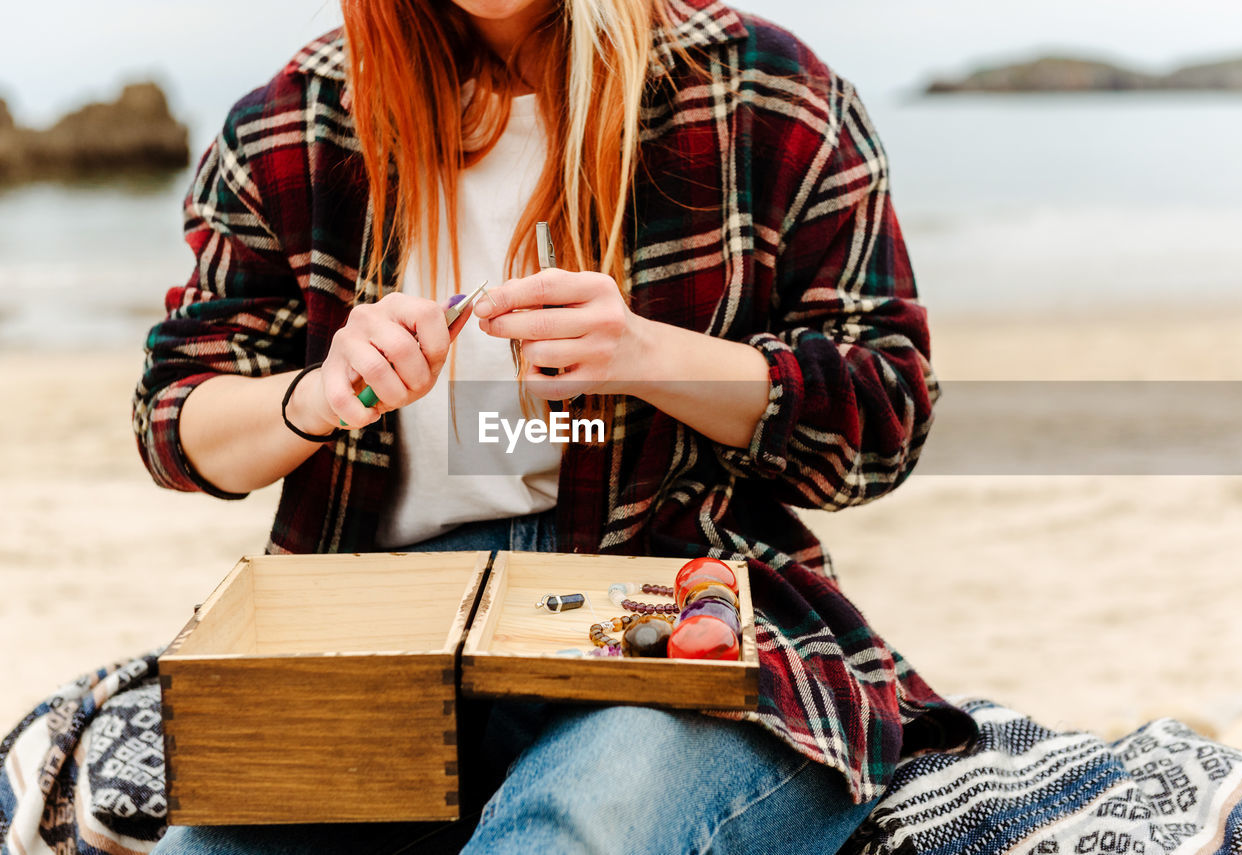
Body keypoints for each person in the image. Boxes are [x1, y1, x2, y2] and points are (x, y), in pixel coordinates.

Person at [133, 0, 974, 852]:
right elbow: (173, 419)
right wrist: (314, 397)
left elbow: (885, 415)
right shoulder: (297, 118)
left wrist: (647, 353)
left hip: (684, 603)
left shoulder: (758, 85)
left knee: (566, 832)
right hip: (384, 638)